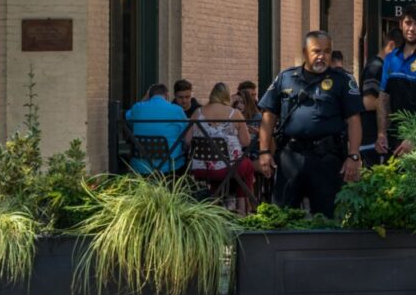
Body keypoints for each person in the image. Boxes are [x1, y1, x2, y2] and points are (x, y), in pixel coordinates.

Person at [257, 30, 366, 217]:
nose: (322, 56)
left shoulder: (342, 81)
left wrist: (354, 155)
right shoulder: (286, 78)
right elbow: (268, 117)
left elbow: (354, 120)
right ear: (304, 52)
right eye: (316, 51)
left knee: (328, 219)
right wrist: (265, 152)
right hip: (291, 157)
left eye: (327, 51)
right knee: (280, 216)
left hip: (327, 159)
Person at [185, 82, 254, 213]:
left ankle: (215, 208)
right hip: (226, 168)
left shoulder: (197, 112)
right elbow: (246, 142)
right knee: (247, 166)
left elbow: (187, 140)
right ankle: (244, 209)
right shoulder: (235, 113)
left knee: (235, 168)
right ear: (227, 96)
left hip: (200, 167)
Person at [361, 28, 403, 165]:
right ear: (391, 46)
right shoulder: (375, 68)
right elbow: (368, 102)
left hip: (382, 140)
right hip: (373, 140)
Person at [126, 82, 189, 174]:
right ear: (167, 95)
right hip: (170, 166)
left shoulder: (137, 108)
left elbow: (128, 118)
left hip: (141, 166)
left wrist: (145, 99)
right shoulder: (177, 110)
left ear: (149, 96)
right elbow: (185, 132)